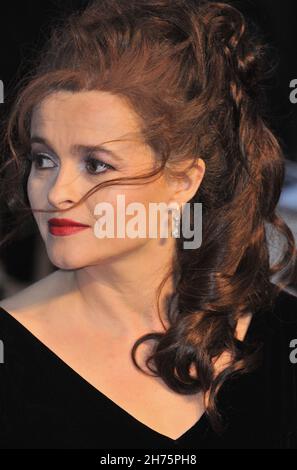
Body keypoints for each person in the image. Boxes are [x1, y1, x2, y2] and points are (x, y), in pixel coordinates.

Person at [0, 0, 296, 449]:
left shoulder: (279, 336)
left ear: (184, 179)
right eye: (44, 159)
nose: (56, 192)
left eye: (96, 165)